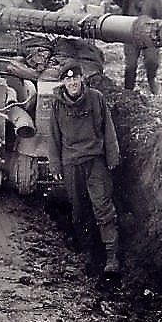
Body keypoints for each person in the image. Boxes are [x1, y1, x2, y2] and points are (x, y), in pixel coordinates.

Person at [49, 61, 122, 278]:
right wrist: (55, 164)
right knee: (79, 210)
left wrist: (112, 156)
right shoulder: (57, 104)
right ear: (63, 82)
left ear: (82, 79)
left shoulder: (96, 98)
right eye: (67, 79)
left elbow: (108, 128)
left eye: (75, 78)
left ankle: (111, 257)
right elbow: (53, 136)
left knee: (103, 207)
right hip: (71, 163)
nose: (72, 82)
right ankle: (89, 253)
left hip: (95, 161)